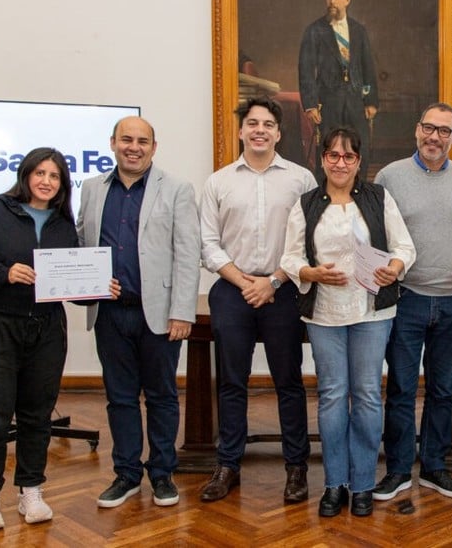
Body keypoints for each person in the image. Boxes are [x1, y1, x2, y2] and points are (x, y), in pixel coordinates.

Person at [281, 126, 415, 517]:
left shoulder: (378, 197)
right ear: (322, 159)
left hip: (373, 310)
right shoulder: (305, 203)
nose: (340, 163)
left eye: (349, 156)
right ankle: (334, 483)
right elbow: (289, 257)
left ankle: (363, 485)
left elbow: (405, 247)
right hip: (324, 312)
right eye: (333, 156)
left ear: (359, 161)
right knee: (333, 395)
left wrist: (394, 267)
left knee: (370, 395)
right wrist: (310, 274)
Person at [0, 148, 80, 532]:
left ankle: (31, 491)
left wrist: (97, 288)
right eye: (39, 173)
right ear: (25, 175)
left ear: (62, 184)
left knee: (37, 416)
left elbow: (71, 281)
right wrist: (3, 273)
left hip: (46, 330)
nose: (46, 181)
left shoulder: (63, 223)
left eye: (54, 176)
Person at [77, 116, 201, 509]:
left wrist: (182, 311)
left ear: (154, 146)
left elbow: (188, 253)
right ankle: (126, 475)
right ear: (113, 142)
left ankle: (162, 473)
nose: (134, 147)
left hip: (161, 314)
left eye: (142, 141)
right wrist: (89, 284)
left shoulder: (177, 188)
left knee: (163, 396)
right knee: (120, 397)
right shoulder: (92, 188)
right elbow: (82, 244)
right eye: (126, 139)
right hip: (110, 314)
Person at [198, 96, 316, 503]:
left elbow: (309, 242)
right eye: (252, 123)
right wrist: (244, 281)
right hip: (233, 290)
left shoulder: (302, 180)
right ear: (242, 130)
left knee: (289, 381)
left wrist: (274, 280)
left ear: (279, 133)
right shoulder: (219, 181)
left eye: (268, 124)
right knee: (232, 381)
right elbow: (209, 245)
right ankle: (228, 463)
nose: (260, 130)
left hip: (283, 291)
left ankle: (296, 467)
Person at [372, 102, 452, 502]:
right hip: (407, 299)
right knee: (400, 387)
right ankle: (399, 470)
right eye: (429, 128)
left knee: (444, 389)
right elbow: (376, 235)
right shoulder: (390, 176)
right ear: (417, 130)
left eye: (444, 131)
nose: (435, 137)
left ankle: (435, 466)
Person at [299, 0, 378, 181]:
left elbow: (368, 67)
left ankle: (359, 189)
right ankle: (326, 193)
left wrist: (370, 101)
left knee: (360, 147)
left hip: (355, 102)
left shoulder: (359, 31)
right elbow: (306, 70)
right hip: (328, 101)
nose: (332, 1)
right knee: (328, 147)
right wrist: (310, 104)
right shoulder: (315, 31)